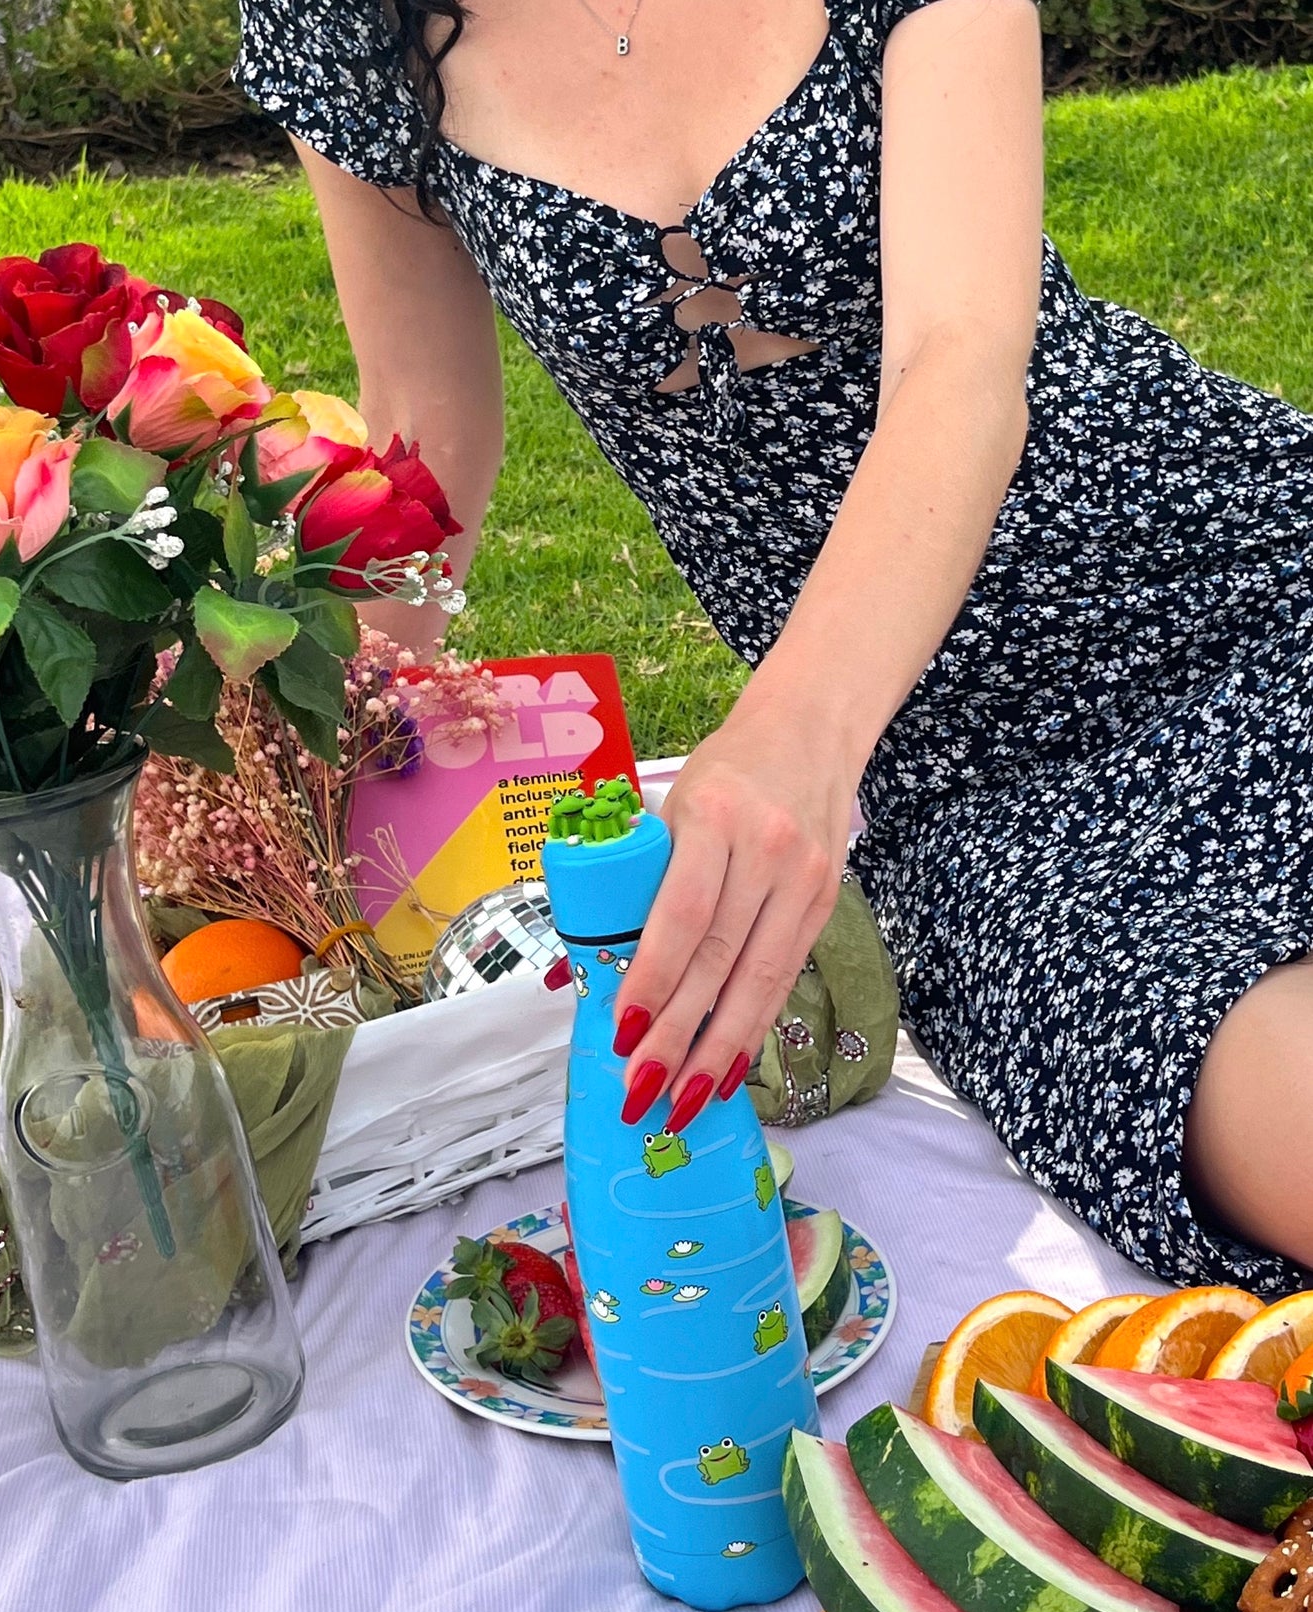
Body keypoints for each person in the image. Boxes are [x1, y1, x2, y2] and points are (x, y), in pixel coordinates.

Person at [235, 0, 1313, 1290]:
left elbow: (961, 358)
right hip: (958, 785)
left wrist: (795, 743)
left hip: (1217, 565)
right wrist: (307, 729)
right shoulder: (343, 25)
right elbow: (425, 423)